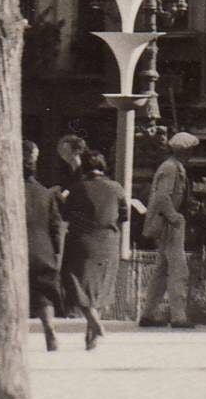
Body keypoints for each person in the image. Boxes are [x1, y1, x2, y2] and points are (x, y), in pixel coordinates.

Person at [60, 149, 128, 350]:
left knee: (73, 281)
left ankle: (93, 321)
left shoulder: (77, 188)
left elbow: (65, 214)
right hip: (109, 242)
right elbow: (124, 216)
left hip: (82, 242)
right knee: (101, 287)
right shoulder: (116, 188)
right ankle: (91, 337)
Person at [139, 131, 197, 329]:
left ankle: (148, 314)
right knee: (178, 270)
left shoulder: (173, 167)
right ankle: (178, 316)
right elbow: (163, 196)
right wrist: (175, 217)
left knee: (162, 270)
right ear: (185, 150)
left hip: (167, 223)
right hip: (170, 225)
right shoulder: (172, 168)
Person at [23, 139, 65, 352]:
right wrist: (55, 251)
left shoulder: (6, 191)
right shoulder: (45, 193)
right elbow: (55, 225)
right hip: (42, 250)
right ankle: (49, 328)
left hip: (17, 251)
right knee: (43, 293)